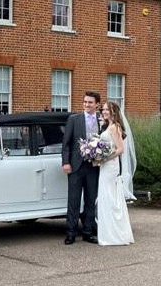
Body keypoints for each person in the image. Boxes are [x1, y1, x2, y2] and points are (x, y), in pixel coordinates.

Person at [61, 91, 101, 245]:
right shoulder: (74, 119)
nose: (86, 104)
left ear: (97, 104)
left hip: (94, 167)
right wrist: (66, 162)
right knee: (73, 200)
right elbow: (66, 144)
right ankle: (70, 233)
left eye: (90, 102)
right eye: (85, 102)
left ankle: (88, 232)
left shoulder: (101, 120)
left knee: (91, 200)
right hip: (76, 166)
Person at [97, 102, 135, 246]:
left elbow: (120, 149)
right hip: (105, 166)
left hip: (111, 167)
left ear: (114, 112)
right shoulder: (107, 126)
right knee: (105, 197)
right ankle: (108, 233)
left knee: (111, 198)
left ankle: (115, 235)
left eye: (107, 109)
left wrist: (104, 158)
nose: (104, 111)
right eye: (104, 109)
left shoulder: (114, 127)